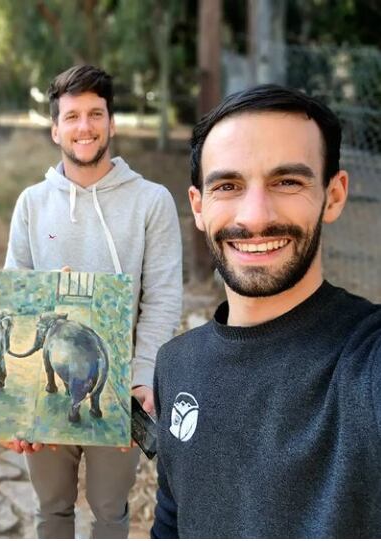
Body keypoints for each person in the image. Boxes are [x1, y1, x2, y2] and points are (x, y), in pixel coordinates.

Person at [152, 85, 381, 538]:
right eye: (228, 186)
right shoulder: (175, 365)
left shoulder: (364, 365)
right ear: (199, 207)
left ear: (333, 196)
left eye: (287, 182)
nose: (254, 217)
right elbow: (171, 524)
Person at [4, 64, 183, 538]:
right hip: (46, 384)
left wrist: (143, 375)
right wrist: (18, 394)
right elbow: (12, 295)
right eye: (72, 116)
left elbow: (163, 297)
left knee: (110, 510)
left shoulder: (152, 201)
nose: (84, 127)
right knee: (53, 509)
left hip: (115, 385)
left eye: (95, 114)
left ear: (111, 122)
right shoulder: (31, 203)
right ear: (55, 128)